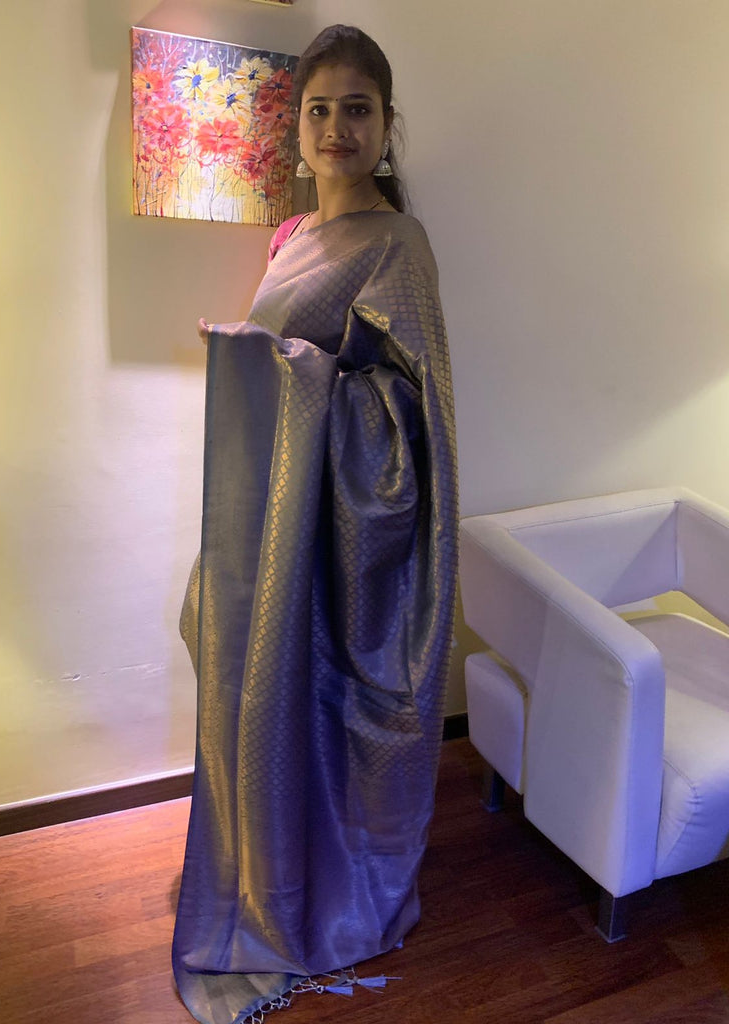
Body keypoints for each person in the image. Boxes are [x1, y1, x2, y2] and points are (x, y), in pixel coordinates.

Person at [174, 24, 458, 1024]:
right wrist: (255, 360)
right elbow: (292, 352)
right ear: (296, 128)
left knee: (324, 704)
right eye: (320, 109)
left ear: (387, 124)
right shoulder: (290, 236)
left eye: (358, 109)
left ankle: (323, 890)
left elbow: (408, 412)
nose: (338, 127)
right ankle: (264, 864)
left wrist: (282, 369)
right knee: (230, 660)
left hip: (343, 538)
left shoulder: (397, 246)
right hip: (269, 519)